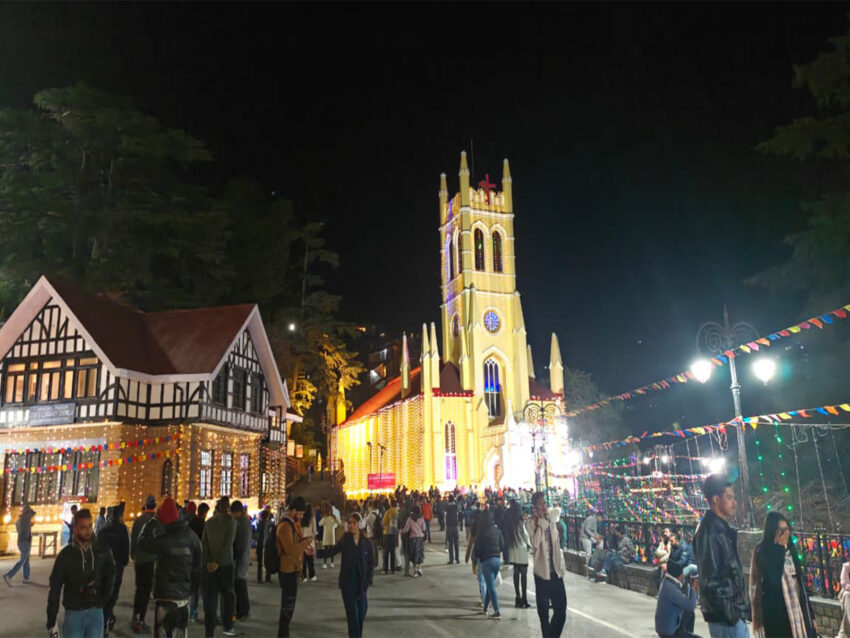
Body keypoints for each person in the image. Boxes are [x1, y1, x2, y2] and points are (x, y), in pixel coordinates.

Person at [692, 474, 750, 638]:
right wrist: (731, 613)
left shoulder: (719, 529)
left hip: (730, 614)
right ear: (716, 500)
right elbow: (710, 579)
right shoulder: (710, 532)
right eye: (729, 497)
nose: (734, 502)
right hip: (726, 617)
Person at [137, 496, 202, 638]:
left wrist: (150, 523)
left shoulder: (163, 540)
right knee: (180, 633)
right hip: (183, 596)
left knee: (162, 633)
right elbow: (198, 565)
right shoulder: (191, 536)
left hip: (164, 596)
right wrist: (192, 588)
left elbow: (142, 543)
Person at [47, 508, 116, 638]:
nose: (88, 530)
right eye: (83, 527)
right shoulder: (66, 554)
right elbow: (55, 586)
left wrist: (104, 600)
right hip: (74, 611)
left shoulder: (102, 549)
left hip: (96, 610)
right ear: (75, 529)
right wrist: (52, 619)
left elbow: (110, 575)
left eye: (90, 526)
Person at [749, 511, 816, 638]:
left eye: (787, 529)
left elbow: (801, 584)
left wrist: (811, 616)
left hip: (799, 612)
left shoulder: (791, 549)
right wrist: (778, 548)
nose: (786, 533)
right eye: (782, 530)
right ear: (772, 531)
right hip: (778, 616)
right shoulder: (763, 551)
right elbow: (773, 581)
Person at [316, 513, 376, 637]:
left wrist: (369, 580)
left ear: (359, 524)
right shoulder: (346, 539)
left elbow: (371, 563)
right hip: (348, 583)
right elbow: (333, 550)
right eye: (349, 523)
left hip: (361, 585)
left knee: (361, 614)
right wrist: (317, 553)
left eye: (354, 523)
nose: (351, 525)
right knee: (353, 616)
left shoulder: (366, 543)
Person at [527, 491, 567, 638]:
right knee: (543, 615)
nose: (544, 506)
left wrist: (553, 521)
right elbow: (534, 544)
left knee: (561, 612)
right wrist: (542, 525)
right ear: (535, 506)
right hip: (542, 575)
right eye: (540, 504)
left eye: (544, 503)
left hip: (555, 572)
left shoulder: (551, 520)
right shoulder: (530, 522)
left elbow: (557, 542)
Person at [276, 496, 313, 638]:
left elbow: (296, 543)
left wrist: (305, 548)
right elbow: (290, 549)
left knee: (289, 607)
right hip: (287, 570)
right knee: (287, 607)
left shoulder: (293, 524)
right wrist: (307, 542)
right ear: (293, 510)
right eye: (300, 513)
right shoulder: (285, 526)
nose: (301, 517)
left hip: (293, 569)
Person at [201, 497, 237, 638]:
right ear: (227, 507)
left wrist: (209, 561)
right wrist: (218, 562)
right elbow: (228, 544)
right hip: (225, 564)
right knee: (228, 596)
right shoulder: (231, 521)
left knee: (210, 600)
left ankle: (209, 632)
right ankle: (228, 625)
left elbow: (204, 544)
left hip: (210, 567)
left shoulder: (209, 522)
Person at [99, 504, 130, 634]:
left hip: (102, 568)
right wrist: (123, 563)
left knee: (103, 594)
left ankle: (105, 619)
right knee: (112, 596)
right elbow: (126, 550)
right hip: (116, 568)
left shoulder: (103, 530)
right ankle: (105, 623)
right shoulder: (122, 530)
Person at [130, 494, 157, 633]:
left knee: (139, 589)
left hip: (139, 560)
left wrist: (133, 554)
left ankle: (135, 616)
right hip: (150, 560)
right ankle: (141, 620)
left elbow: (133, 539)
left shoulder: (138, 520)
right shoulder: (155, 521)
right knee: (146, 591)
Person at [473, 509, 506, 619]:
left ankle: (496, 611)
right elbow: (502, 545)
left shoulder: (481, 533)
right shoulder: (497, 530)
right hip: (497, 561)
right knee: (490, 584)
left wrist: (477, 558)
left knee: (491, 587)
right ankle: (485, 608)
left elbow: (477, 550)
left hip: (486, 562)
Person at [655, 559, 699, 638]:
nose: (683, 576)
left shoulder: (667, 583)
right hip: (668, 632)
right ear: (678, 576)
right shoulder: (671, 589)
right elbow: (691, 606)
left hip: (668, 628)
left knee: (689, 615)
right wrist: (694, 589)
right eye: (682, 574)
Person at [502, 500, 532, 608]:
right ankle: (524, 598)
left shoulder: (509, 523)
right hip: (521, 550)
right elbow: (525, 535)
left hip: (513, 549)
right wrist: (529, 545)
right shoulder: (520, 522)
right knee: (523, 575)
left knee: (516, 574)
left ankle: (517, 597)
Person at [231, 500, 252, 621]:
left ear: (237, 512)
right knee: (241, 585)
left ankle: (243, 611)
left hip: (241, 558)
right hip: (243, 557)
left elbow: (241, 542)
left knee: (240, 586)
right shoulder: (244, 521)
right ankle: (242, 610)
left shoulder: (242, 522)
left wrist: (235, 554)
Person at [4, 504, 35, 586]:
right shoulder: (26, 518)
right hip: (25, 542)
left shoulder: (20, 520)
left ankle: (26, 578)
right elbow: (33, 513)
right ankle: (9, 575)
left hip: (21, 541)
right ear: (27, 512)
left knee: (26, 560)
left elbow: (19, 527)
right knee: (23, 560)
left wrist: (29, 525)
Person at [188, 502, 209, 622]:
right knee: (198, 588)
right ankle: (193, 612)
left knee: (190, 586)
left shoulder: (191, 523)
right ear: (205, 513)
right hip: (199, 557)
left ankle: (189, 611)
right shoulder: (204, 525)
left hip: (189, 556)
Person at [400, 505, 426, 577]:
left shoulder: (409, 519)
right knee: (420, 554)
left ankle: (415, 571)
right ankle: (419, 569)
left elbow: (406, 529)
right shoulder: (421, 518)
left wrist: (401, 531)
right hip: (420, 538)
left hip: (412, 539)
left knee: (414, 554)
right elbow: (424, 528)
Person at [381, 499, 399, 574]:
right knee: (393, 552)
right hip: (394, 534)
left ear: (391, 504)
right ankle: (393, 569)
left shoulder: (388, 512)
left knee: (386, 552)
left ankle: (385, 569)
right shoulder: (397, 512)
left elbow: (384, 522)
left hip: (387, 533)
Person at [301, 503, 317, 583]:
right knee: (310, 560)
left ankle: (303, 576)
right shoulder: (312, 518)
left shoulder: (301, 518)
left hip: (302, 540)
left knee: (303, 560)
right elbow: (314, 530)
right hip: (310, 540)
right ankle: (312, 575)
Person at [257, 507, 273, 584]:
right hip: (267, 545)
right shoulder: (269, 524)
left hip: (260, 544)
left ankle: (260, 578)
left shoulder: (259, 523)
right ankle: (267, 578)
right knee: (268, 561)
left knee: (260, 563)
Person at [319, 504, 339, 569]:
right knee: (327, 550)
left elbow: (339, 522)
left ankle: (330, 563)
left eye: (330, 511)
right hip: (328, 535)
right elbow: (320, 524)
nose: (330, 512)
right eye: (329, 511)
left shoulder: (330, 518)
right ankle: (327, 563)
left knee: (330, 550)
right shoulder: (326, 518)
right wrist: (323, 518)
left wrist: (335, 518)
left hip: (329, 535)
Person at [445, 494, 460, 565]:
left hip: (449, 526)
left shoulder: (447, 506)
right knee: (456, 543)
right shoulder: (456, 506)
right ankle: (457, 559)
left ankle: (451, 560)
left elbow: (445, 515)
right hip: (455, 526)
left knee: (450, 544)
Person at [839, 559, 850, 638]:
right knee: (847, 595)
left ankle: (842, 634)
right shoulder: (846, 567)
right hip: (848, 595)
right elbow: (844, 584)